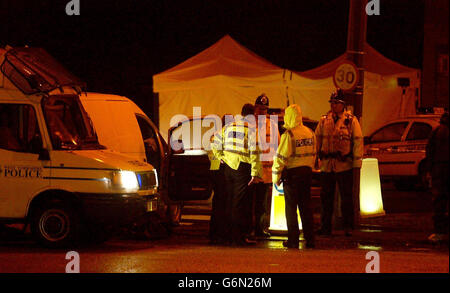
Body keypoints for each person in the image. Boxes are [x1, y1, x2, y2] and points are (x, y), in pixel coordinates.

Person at [212, 104, 263, 246]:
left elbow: (215, 143)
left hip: (228, 167)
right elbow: (255, 153)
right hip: (243, 167)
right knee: (238, 203)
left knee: (229, 201)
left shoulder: (229, 127)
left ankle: (227, 235)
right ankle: (237, 237)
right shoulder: (251, 130)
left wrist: (220, 156)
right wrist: (255, 173)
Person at [315, 89, 363, 237]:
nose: (334, 106)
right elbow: (317, 139)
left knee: (346, 197)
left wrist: (356, 164)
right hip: (327, 165)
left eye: (337, 103)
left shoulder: (351, 121)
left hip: (344, 165)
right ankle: (325, 227)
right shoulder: (324, 120)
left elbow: (358, 141)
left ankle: (348, 226)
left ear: (343, 105)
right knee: (326, 198)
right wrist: (316, 160)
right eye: (332, 103)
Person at [272, 104, 316, 248]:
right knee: (306, 207)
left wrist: (276, 177)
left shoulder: (289, 134)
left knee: (291, 208)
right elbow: (314, 153)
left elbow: (280, 158)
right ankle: (310, 239)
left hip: (292, 175)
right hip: (307, 174)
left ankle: (293, 240)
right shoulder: (310, 132)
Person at [252, 94, 280, 238]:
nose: (262, 112)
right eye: (260, 109)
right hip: (252, 172)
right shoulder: (249, 124)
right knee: (249, 204)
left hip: (266, 173)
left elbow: (278, 147)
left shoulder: (273, 126)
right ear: (255, 108)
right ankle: (248, 229)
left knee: (262, 205)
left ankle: (259, 229)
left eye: (265, 109)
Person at [208, 115, 233, 245]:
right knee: (223, 204)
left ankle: (215, 234)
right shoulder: (227, 136)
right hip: (222, 171)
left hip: (215, 170)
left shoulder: (215, 135)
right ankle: (221, 234)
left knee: (218, 204)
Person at [426, 112, 449, 244]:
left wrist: (430, 170)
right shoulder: (439, 131)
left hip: (439, 170)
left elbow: (430, 151)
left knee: (439, 201)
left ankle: (440, 231)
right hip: (441, 168)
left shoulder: (437, 131)